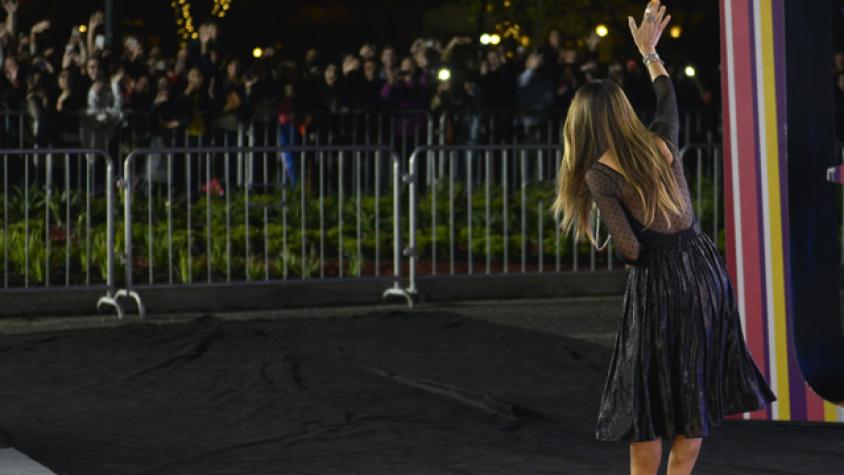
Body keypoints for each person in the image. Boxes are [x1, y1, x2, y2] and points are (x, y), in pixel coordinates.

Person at [550, 2, 776, 474]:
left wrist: (620, 242)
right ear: (621, 111)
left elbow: (631, 249)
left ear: (582, 124)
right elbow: (667, 96)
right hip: (704, 272)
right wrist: (650, 53)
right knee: (690, 388)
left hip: (660, 283)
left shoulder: (599, 174)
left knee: (648, 405)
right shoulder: (661, 141)